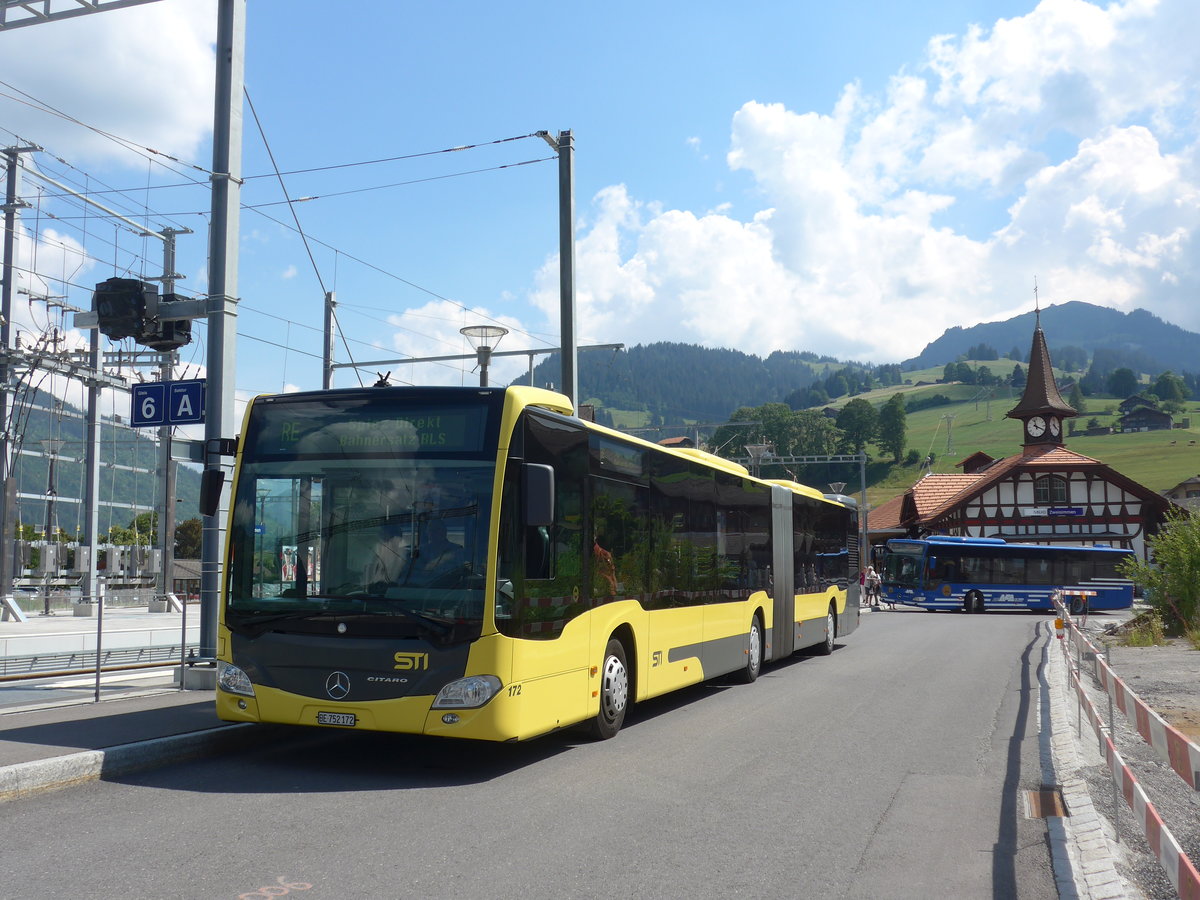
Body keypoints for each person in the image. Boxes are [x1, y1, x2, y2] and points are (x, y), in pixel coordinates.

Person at [405, 517, 468, 586]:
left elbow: (461, 572)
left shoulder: (456, 550)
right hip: (423, 588)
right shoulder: (421, 551)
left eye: (437, 529)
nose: (433, 533)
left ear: (444, 531)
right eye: (431, 530)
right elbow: (414, 573)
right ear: (427, 533)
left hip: (450, 588)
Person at [365, 522, 410, 591]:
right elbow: (373, 569)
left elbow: (395, 572)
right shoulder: (380, 548)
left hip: (391, 589)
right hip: (377, 587)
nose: (379, 534)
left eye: (383, 531)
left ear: (391, 533)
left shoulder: (400, 552)